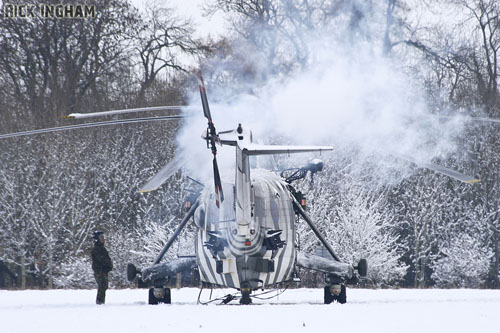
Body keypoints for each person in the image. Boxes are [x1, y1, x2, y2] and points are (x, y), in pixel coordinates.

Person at [91, 231, 113, 304]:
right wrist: (106, 265)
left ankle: (101, 301)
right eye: (101, 237)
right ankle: (100, 302)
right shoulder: (97, 249)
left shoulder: (102, 248)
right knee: (102, 286)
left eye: (103, 237)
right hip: (99, 271)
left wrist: (109, 266)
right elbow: (102, 259)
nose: (103, 239)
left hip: (103, 271)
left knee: (104, 286)